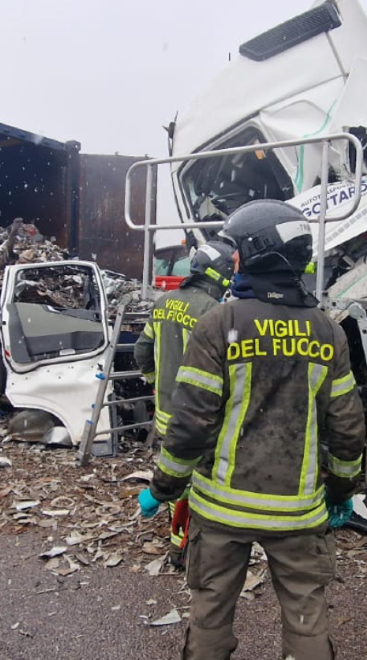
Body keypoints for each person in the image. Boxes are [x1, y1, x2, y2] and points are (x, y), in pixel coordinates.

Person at [140, 199, 366, 660]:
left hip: (221, 508)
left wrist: (164, 488)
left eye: (237, 251)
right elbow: (346, 428)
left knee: (211, 611)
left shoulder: (220, 324)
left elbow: (190, 425)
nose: (234, 261)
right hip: (298, 512)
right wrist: (342, 490)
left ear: (251, 254)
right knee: (306, 616)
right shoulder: (328, 332)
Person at [134, 240, 235, 568]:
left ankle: (177, 543)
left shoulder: (163, 303)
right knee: (199, 483)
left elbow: (141, 351)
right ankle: (190, 550)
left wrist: (153, 381)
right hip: (201, 419)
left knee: (175, 478)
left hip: (166, 415)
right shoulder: (213, 311)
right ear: (219, 276)